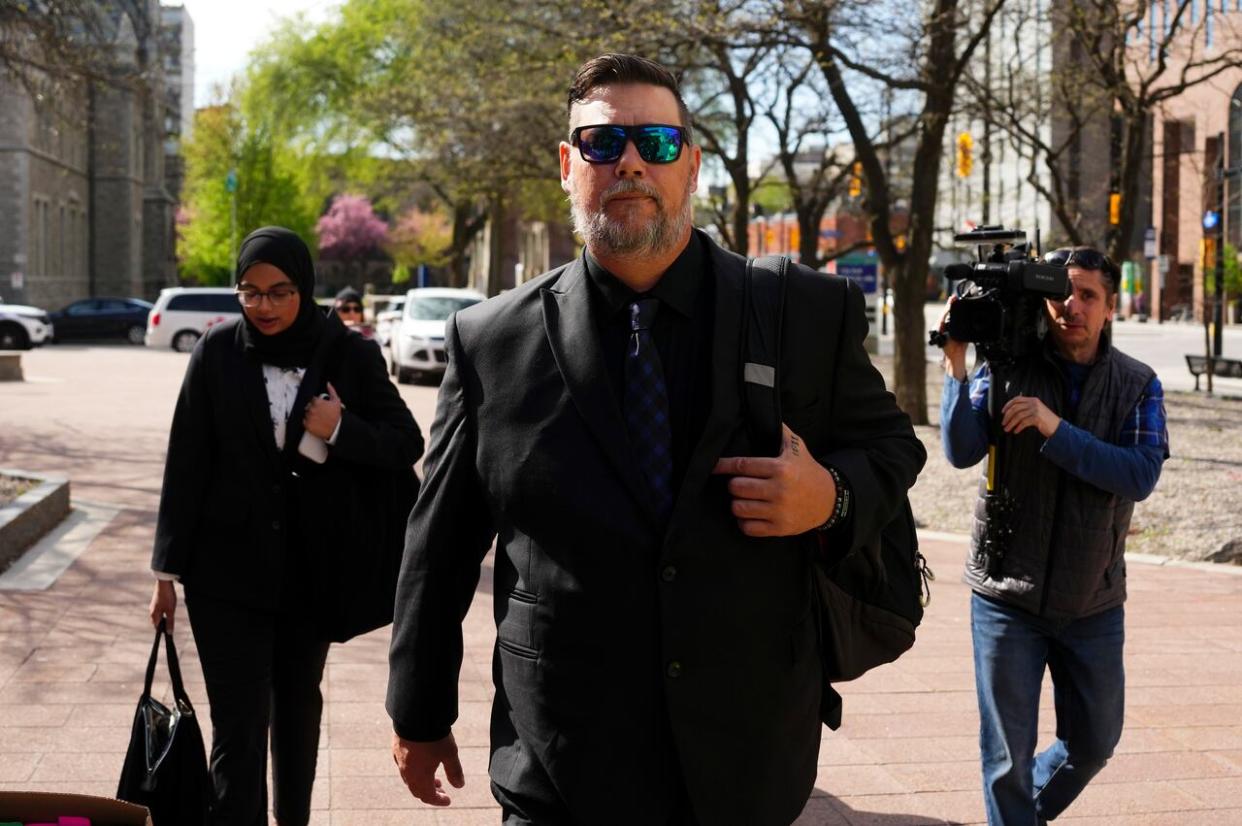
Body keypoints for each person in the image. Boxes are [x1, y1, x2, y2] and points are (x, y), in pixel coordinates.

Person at [386, 54, 925, 825]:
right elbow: (436, 549)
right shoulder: (488, 342)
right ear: (570, 165)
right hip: (559, 763)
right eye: (604, 144)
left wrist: (828, 498)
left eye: (657, 144)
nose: (631, 162)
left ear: (691, 166)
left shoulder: (802, 313)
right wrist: (418, 710)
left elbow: (893, 450)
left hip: (747, 755)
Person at [148, 226, 424, 826]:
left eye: (279, 292)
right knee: (238, 724)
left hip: (311, 574)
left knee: (297, 713)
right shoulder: (217, 354)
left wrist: (341, 428)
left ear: (305, 288)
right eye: (249, 292)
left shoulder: (348, 354)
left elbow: (407, 441)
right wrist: (165, 574)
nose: (263, 306)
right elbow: (186, 462)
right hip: (223, 576)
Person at [939, 246, 1169, 826]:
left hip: (1092, 599)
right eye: (1062, 294)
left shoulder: (1138, 384)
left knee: (1093, 743)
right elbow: (962, 449)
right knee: (1004, 762)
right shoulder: (1006, 366)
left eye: (1088, 295)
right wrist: (957, 368)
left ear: (1110, 308)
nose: (1073, 306)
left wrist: (1054, 427)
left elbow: (1138, 474)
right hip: (1005, 594)